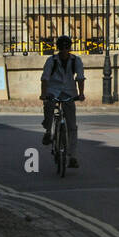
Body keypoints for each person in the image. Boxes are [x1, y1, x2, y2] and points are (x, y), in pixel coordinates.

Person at [40, 35, 86, 169]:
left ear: (70, 48)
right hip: (52, 90)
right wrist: (44, 94)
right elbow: (45, 78)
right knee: (48, 107)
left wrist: (81, 93)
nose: (65, 51)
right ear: (58, 49)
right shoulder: (51, 61)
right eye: (62, 48)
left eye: (67, 48)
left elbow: (80, 77)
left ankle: (72, 156)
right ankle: (48, 131)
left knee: (72, 126)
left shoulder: (76, 61)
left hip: (69, 93)